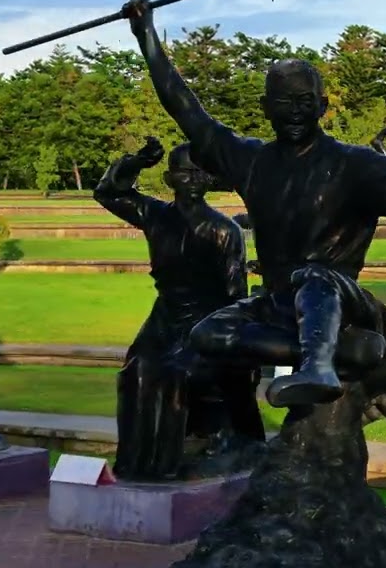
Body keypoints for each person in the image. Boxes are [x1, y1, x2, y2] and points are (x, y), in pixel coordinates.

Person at [122, 0, 386, 416]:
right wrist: (146, 35)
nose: (295, 111)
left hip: (340, 295)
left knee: (316, 276)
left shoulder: (355, 164)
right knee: (207, 334)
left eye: (305, 102)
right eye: (284, 102)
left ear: (323, 106)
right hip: (278, 302)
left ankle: (319, 365)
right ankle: (338, 349)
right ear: (265, 108)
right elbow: (187, 109)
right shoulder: (251, 160)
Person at [94, 138, 263, 480]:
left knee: (174, 372)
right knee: (137, 370)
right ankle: (138, 464)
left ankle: (169, 461)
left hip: (208, 320)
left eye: (202, 173)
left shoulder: (224, 230)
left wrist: (231, 341)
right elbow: (108, 193)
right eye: (186, 173)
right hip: (165, 316)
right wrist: (136, 162)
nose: (195, 179)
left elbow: (235, 295)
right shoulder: (155, 215)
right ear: (170, 179)